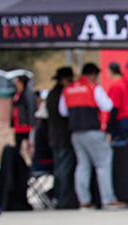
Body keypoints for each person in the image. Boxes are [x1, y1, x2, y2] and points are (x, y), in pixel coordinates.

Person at [60, 63, 123, 209]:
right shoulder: (93, 87)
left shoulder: (68, 89)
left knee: (82, 165)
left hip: (75, 133)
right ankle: (108, 199)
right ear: (93, 74)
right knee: (103, 163)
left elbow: (62, 111)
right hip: (93, 131)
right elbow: (108, 105)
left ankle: (84, 201)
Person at [45, 67, 77, 209]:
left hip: (54, 137)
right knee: (64, 171)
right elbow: (64, 115)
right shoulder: (62, 94)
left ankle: (57, 197)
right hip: (64, 137)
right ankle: (64, 201)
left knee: (59, 170)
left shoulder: (51, 94)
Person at [105, 50, 128, 144]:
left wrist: (109, 129)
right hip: (127, 119)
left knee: (119, 147)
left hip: (119, 121)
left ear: (111, 71)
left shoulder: (115, 86)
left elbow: (114, 107)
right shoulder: (125, 81)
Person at [10, 74, 36, 158]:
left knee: (29, 145)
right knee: (17, 146)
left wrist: (31, 122)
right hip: (17, 123)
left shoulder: (27, 94)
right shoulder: (16, 94)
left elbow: (31, 108)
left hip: (26, 124)